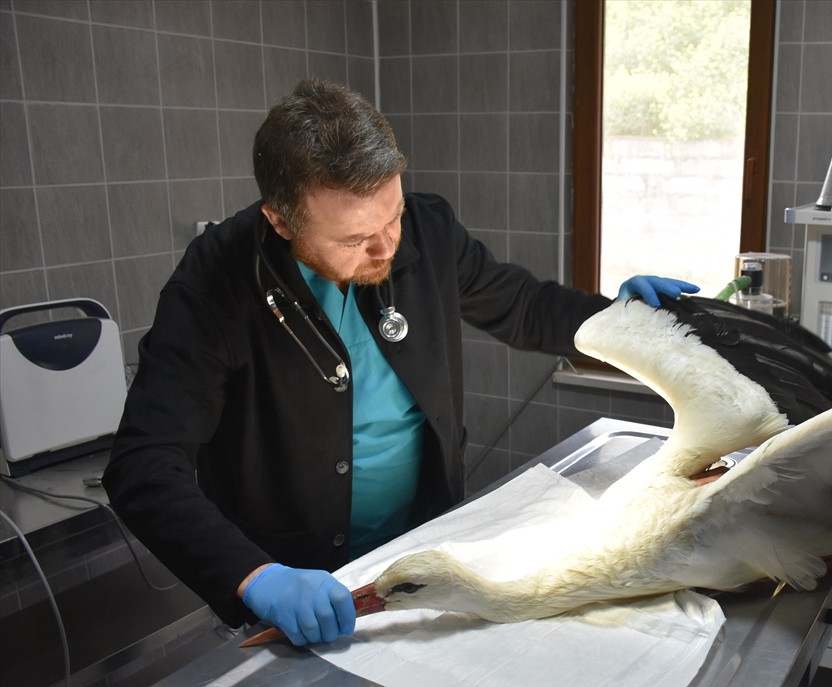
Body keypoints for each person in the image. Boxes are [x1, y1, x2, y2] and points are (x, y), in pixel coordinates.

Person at [102, 79, 696, 648]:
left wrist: (620, 320)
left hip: (423, 548)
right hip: (300, 584)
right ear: (280, 221)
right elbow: (144, 465)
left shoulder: (428, 229)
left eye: (392, 218)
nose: (387, 248)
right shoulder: (218, 280)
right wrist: (256, 576)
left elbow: (523, 305)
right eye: (354, 239)